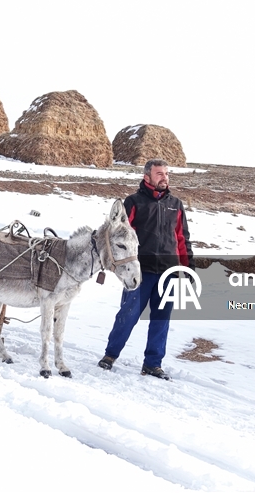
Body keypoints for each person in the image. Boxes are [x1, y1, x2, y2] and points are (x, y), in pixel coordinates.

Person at [99, 158, 193, 380]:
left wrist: (188, 267)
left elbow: (182, 238)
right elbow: (119, 233)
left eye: (166, 174)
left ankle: (152, 364)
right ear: (147, 176)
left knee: (161, 321)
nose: (164, 178)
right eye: (159, 174)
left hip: (168, 272)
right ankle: (110, 355)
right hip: (140, 272)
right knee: (128, 315)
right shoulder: (133, 202)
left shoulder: (176, 204)